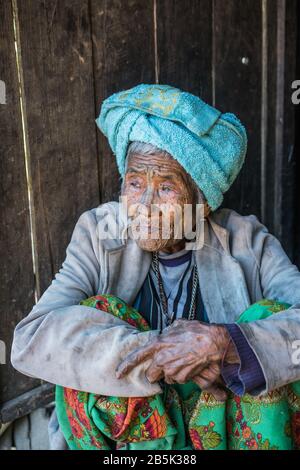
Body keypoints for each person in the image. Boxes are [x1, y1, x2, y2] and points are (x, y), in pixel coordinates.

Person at [11, 84, 300, 449]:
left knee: (270, 319)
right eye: (134, 183)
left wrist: (227, 344)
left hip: (224, 428)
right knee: (97, 314)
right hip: (138, 442)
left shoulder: (247, 242)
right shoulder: (99, 234)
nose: (144, 205)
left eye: (166, 188)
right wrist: (157, 352)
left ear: (203, 202)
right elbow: (32, 338)